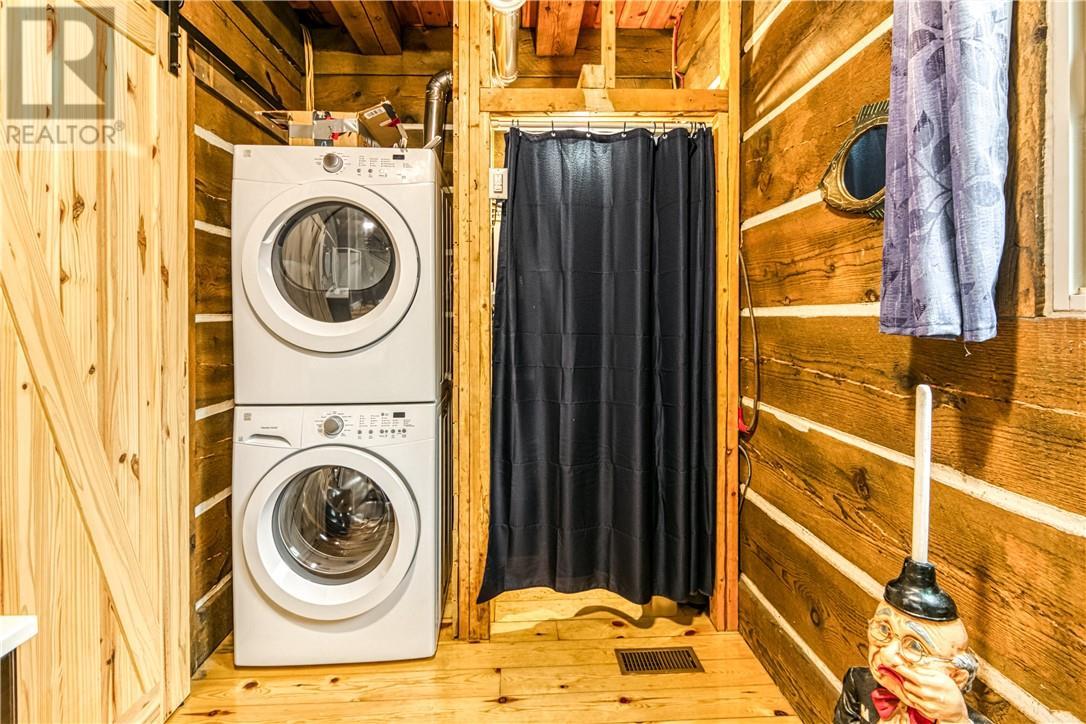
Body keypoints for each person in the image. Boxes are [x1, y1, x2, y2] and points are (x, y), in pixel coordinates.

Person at [833, 557, 991, 724]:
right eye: (884, 629)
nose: (887, 655)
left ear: (956, 676)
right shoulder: (858, 682)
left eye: (915, 646)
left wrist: (955, 720)